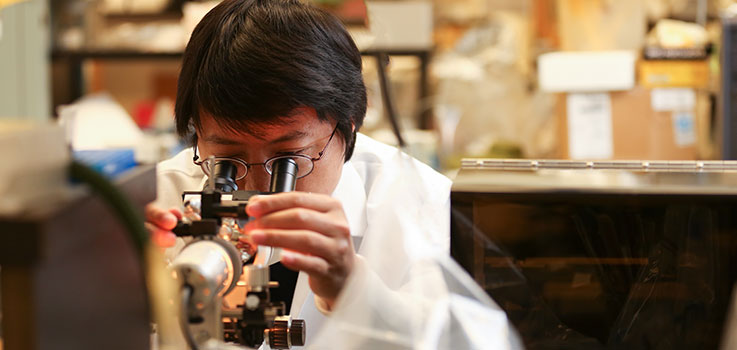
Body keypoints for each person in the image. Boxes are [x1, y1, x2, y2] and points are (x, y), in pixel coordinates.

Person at [145, 0, 457, 346]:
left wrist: (354, 290)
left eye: (289, 159)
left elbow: (457, 339)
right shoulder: (159, 197)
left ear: (348, 129)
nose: (258, 190)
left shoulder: (422, 206)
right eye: (229, 159)